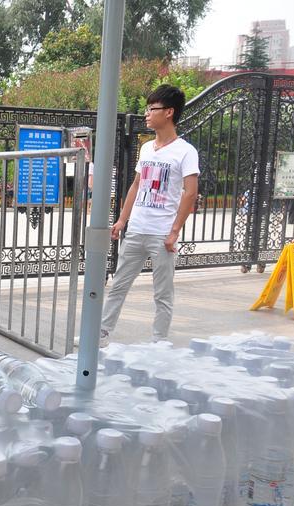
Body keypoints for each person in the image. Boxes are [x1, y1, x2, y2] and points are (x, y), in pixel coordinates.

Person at [99, 84, 200, 346]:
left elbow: (190, 193)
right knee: (118, 285)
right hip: (136, 229)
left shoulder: (185, 151)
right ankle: (102, 333)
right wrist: (122, 220)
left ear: (168, 112)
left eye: (151, 109)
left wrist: (174, 231)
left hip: (162, 234)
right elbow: (136, 185)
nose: (146, 114)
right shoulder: (146, 149)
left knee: (162, 292)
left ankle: (159, 342)